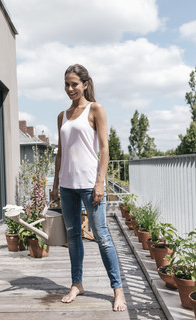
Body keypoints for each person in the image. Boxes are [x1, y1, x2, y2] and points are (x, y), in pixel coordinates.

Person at [52, 64, 127, 312]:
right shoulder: (62, 116)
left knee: (102, 236)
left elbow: (104, 148)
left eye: (74, 84)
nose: (70, 88)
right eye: (67, 84)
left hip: (89, 184)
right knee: (73, 237)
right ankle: (77, 284)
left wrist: (99, 183)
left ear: (85, 84)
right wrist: (54, 185)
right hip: (67, 185)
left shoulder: (96, 109)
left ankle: (117, 290)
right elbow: (60, 153)